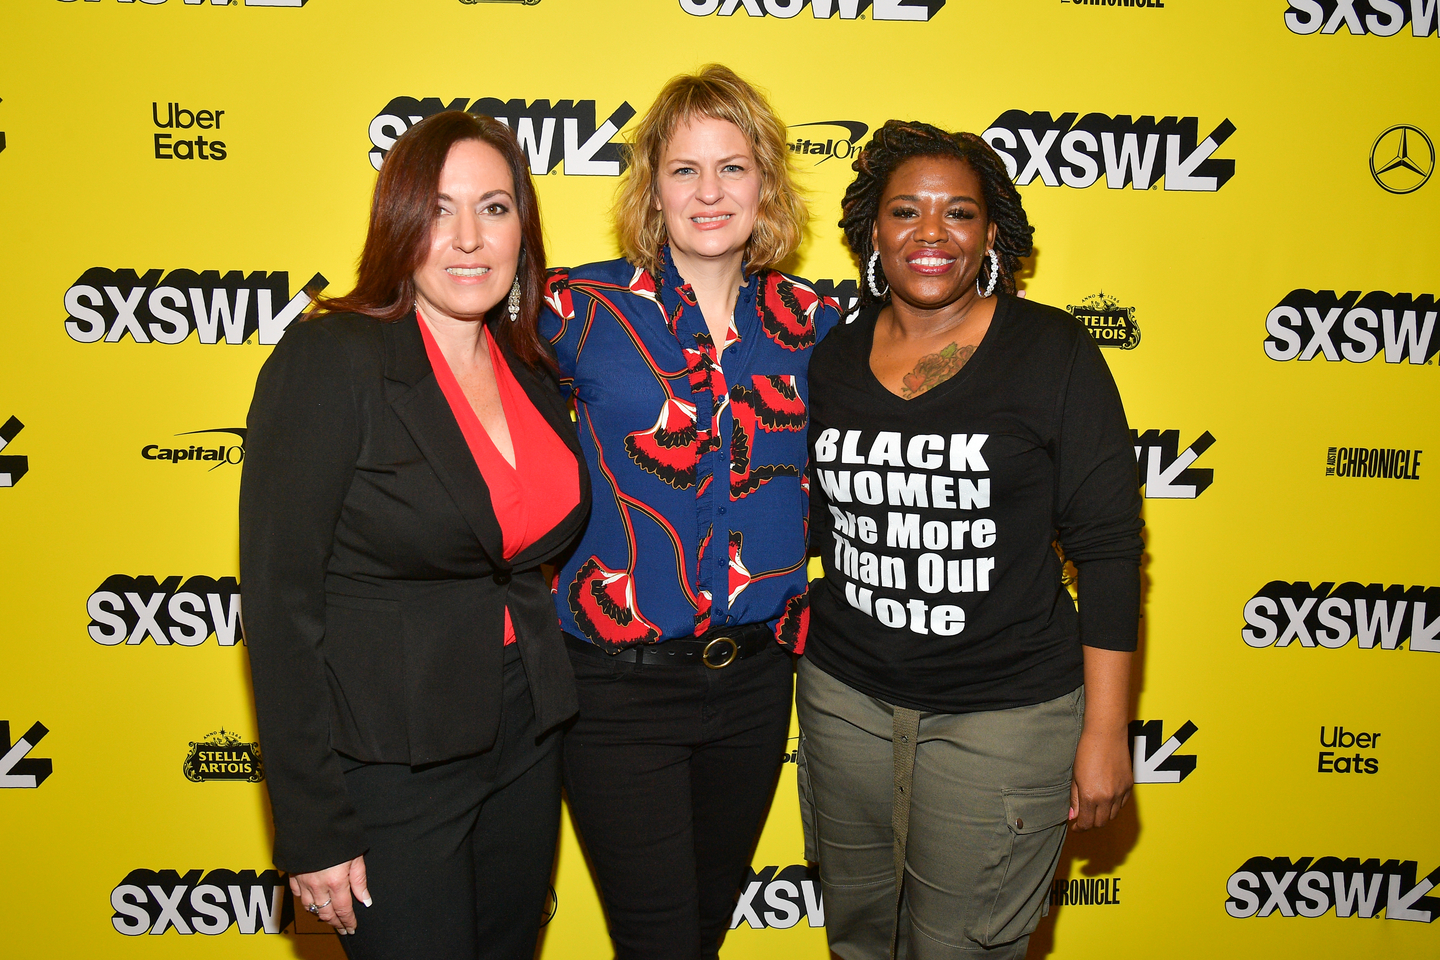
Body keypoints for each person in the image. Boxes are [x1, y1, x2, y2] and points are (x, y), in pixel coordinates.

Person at [239, 111, 589, 959]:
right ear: (399, 224)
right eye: (438, 209)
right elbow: (281, 608)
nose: (469, 238)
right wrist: (312, 825)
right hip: (392, 764)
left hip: (525, 735)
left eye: (495, 208)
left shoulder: (529, 365)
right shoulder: (333, 360)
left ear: (523, 228)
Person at [798, 120, 1145, 960]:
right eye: (904, 211)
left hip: (1003, 716)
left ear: (992, 233)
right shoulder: (833, 358)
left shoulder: (1052, 351)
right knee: (857, 942)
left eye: (958, 213)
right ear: (871, 231)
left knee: (966, 949)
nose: (930, 234)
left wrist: (1106, 733)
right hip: (846, 706)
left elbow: (1107, 551)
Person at [540, 65, 840, 960]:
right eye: (684, 170)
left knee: (701, 934)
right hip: (615, 687)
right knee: (658, 943)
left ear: (767, 184)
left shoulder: (816, 321)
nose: (710, 192)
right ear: (652, 189)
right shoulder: (574, 308)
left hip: (755, 689)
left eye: (734, 167)